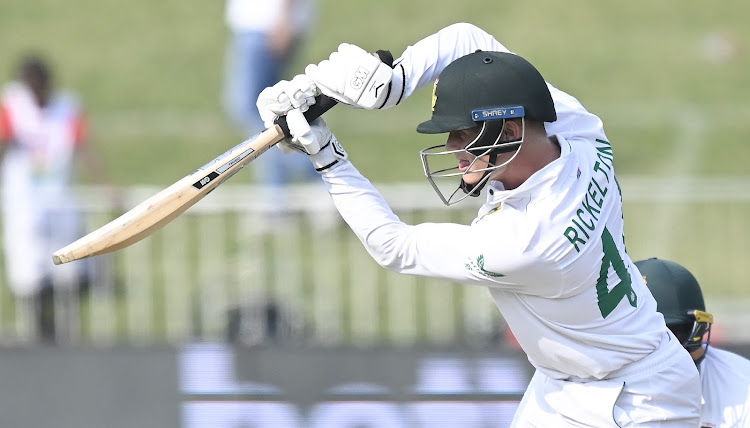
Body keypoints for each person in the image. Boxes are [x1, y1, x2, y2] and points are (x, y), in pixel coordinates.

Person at [256, 23, 704, 426]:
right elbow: (470, 42)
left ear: (508, 131)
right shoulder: (579, 131)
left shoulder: (527, 244)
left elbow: (394, 246)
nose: (452, 148)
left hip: (641, 401)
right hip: (566, 385)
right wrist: (393, 82)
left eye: (462, 134)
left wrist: (328, 157)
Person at [0, 54, 112, 342]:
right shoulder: (12, 105)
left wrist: (106, 185)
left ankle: (67, 334)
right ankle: (38, 333)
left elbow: (82, 148)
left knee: (69, 274)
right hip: (23, 204)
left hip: (61, 201)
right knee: (29, 274)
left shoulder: (67, 107)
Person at [223, 0, 319, 208]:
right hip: (263, 25)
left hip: (265, 26)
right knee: (272, 114)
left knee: (252, 111)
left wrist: (283, 17)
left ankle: (321, 177)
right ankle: (275, 200)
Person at [636, 257, 750, 428]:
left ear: (699, 328)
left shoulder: (743, 386)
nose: (660, 352)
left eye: (674, 333)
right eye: (641, 337)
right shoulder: (588, 389)